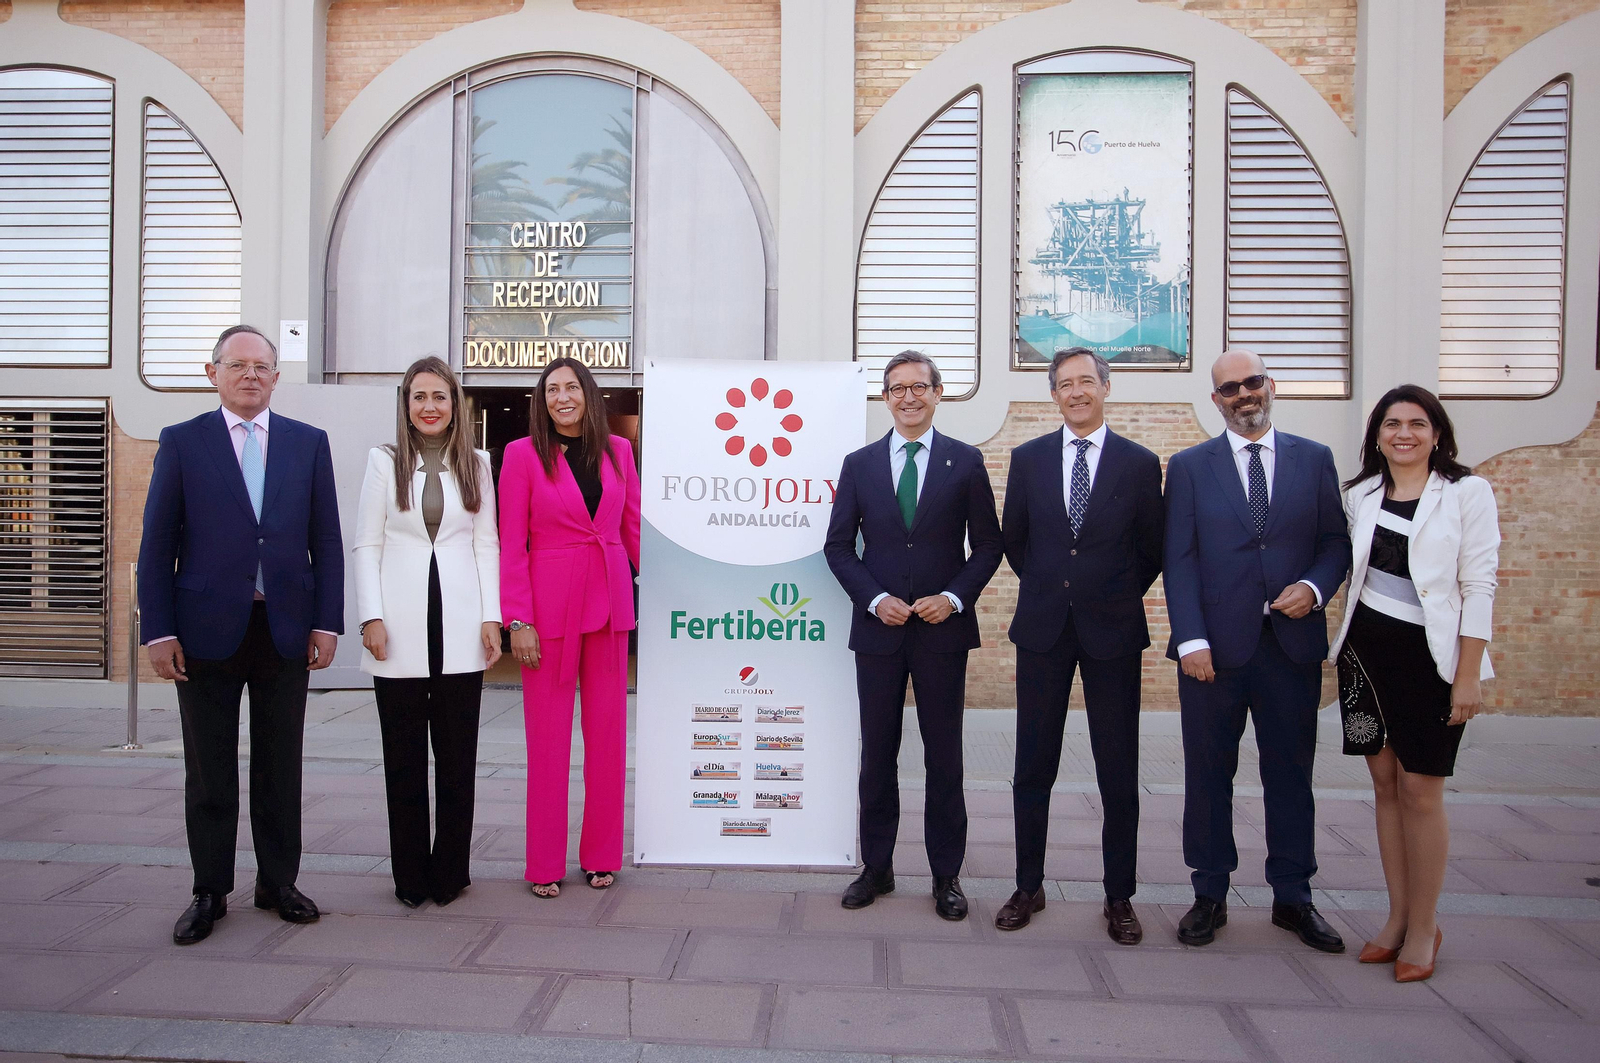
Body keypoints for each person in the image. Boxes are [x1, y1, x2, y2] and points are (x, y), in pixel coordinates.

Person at [138, 324, 343, 945]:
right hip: (204, 628)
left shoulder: (308, 444)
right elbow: (157, 543)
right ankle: (209, 889)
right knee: (210, 766)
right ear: (213, 373)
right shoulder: (183, 442)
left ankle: (278, 882)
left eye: (262, 367)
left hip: (283, 625)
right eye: (238, 365)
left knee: (281, 763)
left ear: (277, 378)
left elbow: (326, 542)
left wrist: (326, 621)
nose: (251, 375)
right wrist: (158, 630)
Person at [1162, 348, 1350, 952]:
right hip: (1212, 653)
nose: (1243, 394)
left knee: (1291, 775)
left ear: (1270, 386)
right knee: (1208, 775)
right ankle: (1209, 893)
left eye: (1251, 383)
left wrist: (1317, 588)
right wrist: (1190, 638)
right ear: (1215, 401)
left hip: (1291, 650)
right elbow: (1180, 560)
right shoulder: (1190, 467)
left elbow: (1334, 544)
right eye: (1228, 389)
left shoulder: (1314, 459)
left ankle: (1293, 896)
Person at [823, 349, 1003, 921]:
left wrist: (952, 598)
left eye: (918, 387)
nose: (907, 397)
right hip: (878, 635)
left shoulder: (966, 462)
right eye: (896, 388)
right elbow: (837, 547)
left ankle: (946, 876)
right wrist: (875, 600)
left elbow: (990, 547)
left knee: (943, 756)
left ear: (937, 393)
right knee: (878, 755)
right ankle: (876, 867)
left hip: (941, 635)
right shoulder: (860, 464)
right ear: (885, 397)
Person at [1329, 385, 1498, 982]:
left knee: (1422, 791)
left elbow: (1480, 585)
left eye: (1417, 424)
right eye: (1393, 423)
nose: (1404, 433)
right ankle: (1397, 918)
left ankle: (1425, 927)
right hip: (1366, 658)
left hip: (1432, 662)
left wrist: (1468, 676)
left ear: (1436, 433)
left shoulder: (1466, 493)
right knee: (1384, 786)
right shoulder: (1361, 495)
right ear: (1377, 434)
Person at [996, 348, 1163, 942]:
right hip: (1043, 630)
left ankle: (1119, 896)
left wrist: (1107, 593)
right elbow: (1016, 540)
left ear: (1105, 388)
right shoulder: (1029, 459)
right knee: (1031, 764)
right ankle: (1028, 885)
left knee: (1118, 767)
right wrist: (1055, 589)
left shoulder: (1140, 464)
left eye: (1086, 381)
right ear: (1054, 395)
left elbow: (1152, 549)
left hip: (1113, 631)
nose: (1076, 392)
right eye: (1064, 384)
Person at [353, 357, 501, 909]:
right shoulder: (383, 461)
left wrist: (492, 616)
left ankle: (450, 873)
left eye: (439, 396)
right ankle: (410, 876)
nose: (430, 406)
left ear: (454, 403)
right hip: (399, 626)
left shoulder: (478, 463)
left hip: (461, 623)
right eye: (419, 397)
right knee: (405, 757)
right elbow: (367, 543)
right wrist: (370, 617)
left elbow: (486, 544)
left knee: (459, 758)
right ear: (406, 403)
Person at [500, 356, 640, 898]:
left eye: (572, 387)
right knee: (549, 743)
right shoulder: (521, 455)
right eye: (552, 388)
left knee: (607, 740)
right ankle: (544, 863)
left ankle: (602, 855)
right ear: (542, 399)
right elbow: (513, 543)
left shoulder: (619, 451)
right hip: (548, 614)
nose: (563, 396)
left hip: (608, 609)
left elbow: (632, 531)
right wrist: (519, 619)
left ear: (588, 394)